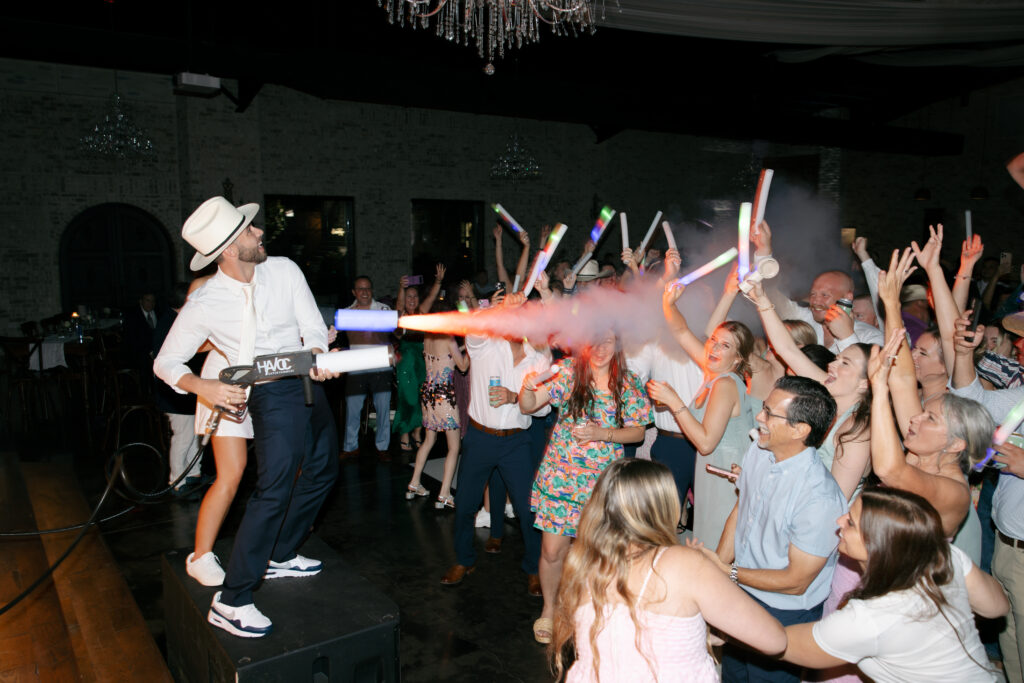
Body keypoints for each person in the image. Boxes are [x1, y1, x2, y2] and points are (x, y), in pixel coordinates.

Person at [154, 196, 340, 637]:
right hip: (271, 396)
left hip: (307, 382)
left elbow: (312, 324)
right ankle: (232, 598)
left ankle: (280, 552)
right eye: (249, 230)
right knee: (273, 488)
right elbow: (166, 362)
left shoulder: (284, 270)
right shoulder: (207, 301)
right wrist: (205, 386)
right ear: (230, 250)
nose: (259, 232)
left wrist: (317, 351)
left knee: (324, 469)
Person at [551, 458, 788, 683]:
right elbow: (775, 640)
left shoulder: (584, 564)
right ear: (662, 507)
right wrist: (706, 571)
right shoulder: (684, 564)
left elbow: (634, 638)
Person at [695, 375, 847, 683]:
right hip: (743, 593)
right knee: (734, 676)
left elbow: (795, 582)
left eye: (770, 413)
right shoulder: (760, 452)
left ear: (800, 430)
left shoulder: (819, 497)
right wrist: (720, 571)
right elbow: (741, 510)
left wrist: (728, 573)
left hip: (783, 612)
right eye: (763, 408)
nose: (760, 418)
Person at [781, 487, 1009, 683]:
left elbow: (780, 643)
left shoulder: (871, 616)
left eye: (850, 522)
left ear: (877, 545)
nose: (839, 521)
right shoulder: (942, 556)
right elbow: (997, 607)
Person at [519, 331, 651, 644]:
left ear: (618, 344)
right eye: (595, 341)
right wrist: (526, 388)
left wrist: (601, 433)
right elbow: (529, 405)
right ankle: (550, 609)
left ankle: (585, 609)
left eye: (608, 341)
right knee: (552, 550)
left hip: (598, 483)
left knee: (595, 553)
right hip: (560, 476)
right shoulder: (567, 372)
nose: (601, 349)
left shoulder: (628, 383)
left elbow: (637, 433)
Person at [439, 293, 545, 601]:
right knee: (466, 505)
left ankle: (534, 568)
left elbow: (541, 410)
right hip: (481, 438)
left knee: (528, 511)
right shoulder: (486, 343)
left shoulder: (536, 357)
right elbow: (472, 331)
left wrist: (515, 397)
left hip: (517, 441)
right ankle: (463, 560)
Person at [647, 278, 755, 546]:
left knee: (717, 545)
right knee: (705, 540)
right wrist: (668, 303)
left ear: (738, 358)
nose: (714, 348)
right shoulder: (712, 371)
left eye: (725, 346)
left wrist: (675, 402)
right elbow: (681, 331)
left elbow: (706, 443)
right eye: (714, 341)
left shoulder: (727, 384)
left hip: (727, 476)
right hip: (711, 472)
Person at [746, 281, 872, 500]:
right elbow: (788, 351)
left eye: (845, 364)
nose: (832, 364)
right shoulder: (829, 392)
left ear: (865, 383)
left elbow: (835, 498)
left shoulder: (857, 430)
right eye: (837, 359)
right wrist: (762, 299)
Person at [951, 307, 1024, 683]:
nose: (1022, 345)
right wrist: (963, 354)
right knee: (1011, 647)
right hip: (1007, 547)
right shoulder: (1022, 396)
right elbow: (969, 397)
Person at [753, 221, 883, 352]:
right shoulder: (805, 321)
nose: (816, 301)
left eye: (825, 295)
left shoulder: (870, 338)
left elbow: (869, 371)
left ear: (847, 297)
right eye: (813, 294)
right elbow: (771, 296)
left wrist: (846, 337)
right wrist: (764, 251)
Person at [151, 283, 204, 495]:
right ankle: (177, 481)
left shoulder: (178, 320)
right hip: (173, 393)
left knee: (194, 433)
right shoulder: (170, 324)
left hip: (186, 393)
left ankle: (193, 473)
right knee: (183, 436)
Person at [406, 327, 468, 508]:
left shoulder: (428, 337)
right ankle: (444, 493)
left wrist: (462, 348)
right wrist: (472, 349)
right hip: (444, 396)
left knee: (428, 440)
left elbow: (443, 357)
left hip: (428, 394)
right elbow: (462, 366)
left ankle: (414, 483)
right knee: (454, 447)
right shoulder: (449, 339)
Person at [340, 274, 396, 460]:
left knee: (382, 408)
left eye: (368, 288)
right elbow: (339, 334)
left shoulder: (383, 308)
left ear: (372, 290)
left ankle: (383, 446)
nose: (364, 292)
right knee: (353, 409)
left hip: (380, 365)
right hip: (356, 365)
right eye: (360, 289)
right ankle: (350, 447)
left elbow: (390, 331)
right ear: (354, 292)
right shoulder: (347, 312)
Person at [393, 272, 442, 451]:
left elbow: (432, 296)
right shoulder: (400, 314)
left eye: (414, 296)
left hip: (422, 361)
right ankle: (405, 432)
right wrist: (401, 287)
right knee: (408, 398)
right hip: (406, 362)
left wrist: (438, 280)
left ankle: (417, 431)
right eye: (408, 296)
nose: (412, 299)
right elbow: (398, 304)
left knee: (423, 398)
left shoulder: (421, 312)